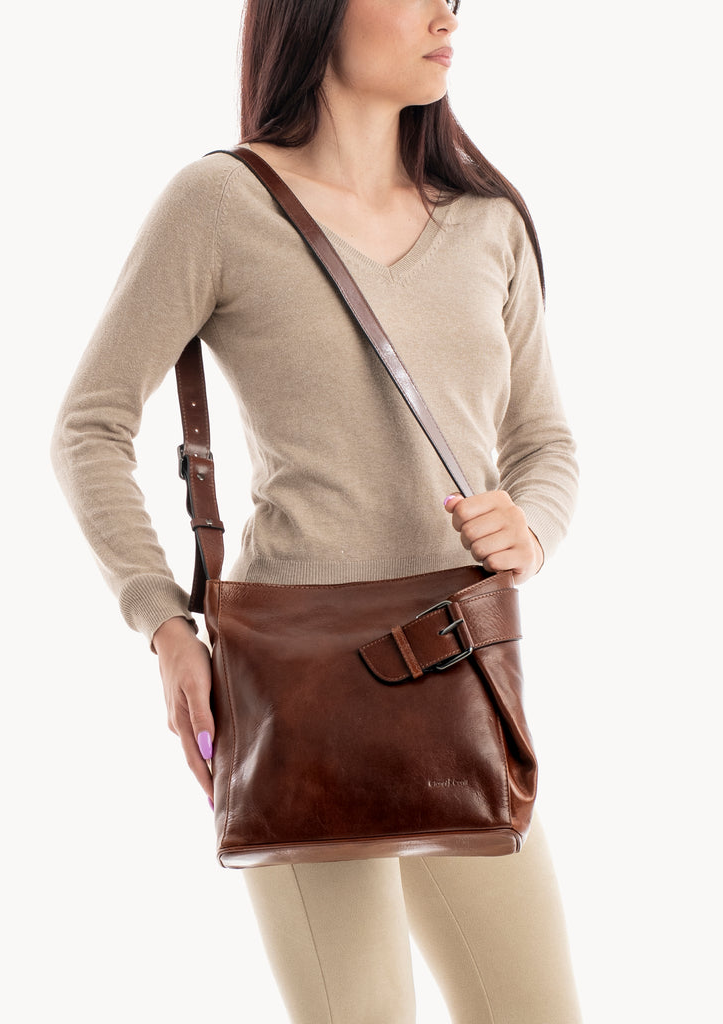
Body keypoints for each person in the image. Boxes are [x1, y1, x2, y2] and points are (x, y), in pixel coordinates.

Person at [51, 1, 582, 1020]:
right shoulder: (220, 202)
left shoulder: (488, 220)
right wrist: (163, 622)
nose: (445, 12)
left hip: (458, 671)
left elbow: (544, 443)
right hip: (293, 690)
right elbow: (89, 425)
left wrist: (533, 529)